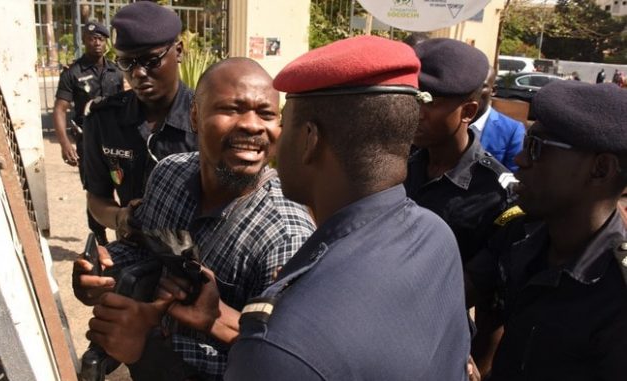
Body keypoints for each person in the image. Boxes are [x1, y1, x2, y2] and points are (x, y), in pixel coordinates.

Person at [161, 36, 472, 380]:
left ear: (309, 139)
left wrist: (145, 349)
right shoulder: (435, 235)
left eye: (283, 118)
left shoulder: (278, 349)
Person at [76, 57, 315, 380]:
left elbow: (275, 368)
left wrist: (147, 346)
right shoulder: (168, 174)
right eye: (231, 109)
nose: (252, 125)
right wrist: (104, 272)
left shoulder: (287, 236)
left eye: (266, 113)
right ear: (194, 117)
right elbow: (144, 249)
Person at [466, 81, 627, 380]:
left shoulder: (617, 291)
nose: (519, 159)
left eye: (536, 147)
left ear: (601, 169)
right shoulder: (519, 233)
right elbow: (456, 291)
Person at [82, 2, 197, 240]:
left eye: (151, 60)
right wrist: (120, 218)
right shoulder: (104, 120)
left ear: (178, 52)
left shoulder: (208, 119)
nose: (138, 73)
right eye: (127, 63)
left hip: (197, 261)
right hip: (132, 256)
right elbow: (97, 197)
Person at [408, 38, 517, 264]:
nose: (417, 113)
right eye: (414, 99)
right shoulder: (399, 168)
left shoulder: (496, 193)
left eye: (430, 103)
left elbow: (481, 280)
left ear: (467, 111)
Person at [53, 20, 123, 245]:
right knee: (96, 188)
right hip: (89, 141)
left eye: (101, 39)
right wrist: (65, 144)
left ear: (106, 42)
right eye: (92, 39)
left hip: (116, 140)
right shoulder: (72, 73)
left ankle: (124, 231)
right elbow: (60, 109)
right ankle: (99, 237)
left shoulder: (116, 71)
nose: (97, 43)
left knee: (122, 182)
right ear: (84, 41)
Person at [471, 66, 526, 172]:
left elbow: (513, 177)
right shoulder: (451, 120)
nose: (474, 92)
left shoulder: (512, 130)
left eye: (482, 86)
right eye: (470, 85)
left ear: (493, 90)